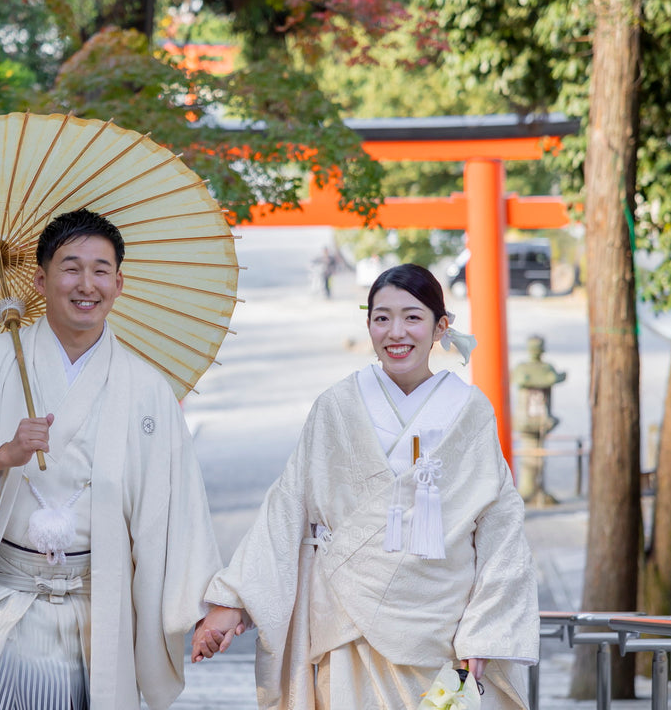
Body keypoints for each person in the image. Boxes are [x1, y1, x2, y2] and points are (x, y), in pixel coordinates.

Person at [0, 208, 223, 710]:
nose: (86, 284)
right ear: (39, 279)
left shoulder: (146, 390)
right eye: (70, 267)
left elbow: (178, 508)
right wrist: (0, 452)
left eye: (101, 270)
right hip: (0, 602)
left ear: (119, 283)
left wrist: (209, 606)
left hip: (98, 610)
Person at [191, 263, 539, 709]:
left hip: (442, 626)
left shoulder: (470, 412)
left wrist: (485, 628)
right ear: (369, 324)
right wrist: (233, 599)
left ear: (441, 327)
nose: (396, 332)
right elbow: (287, 504)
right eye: (381, 318)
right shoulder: (337, 405)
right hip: (347, 619)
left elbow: (501, 528)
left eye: (413, 317)